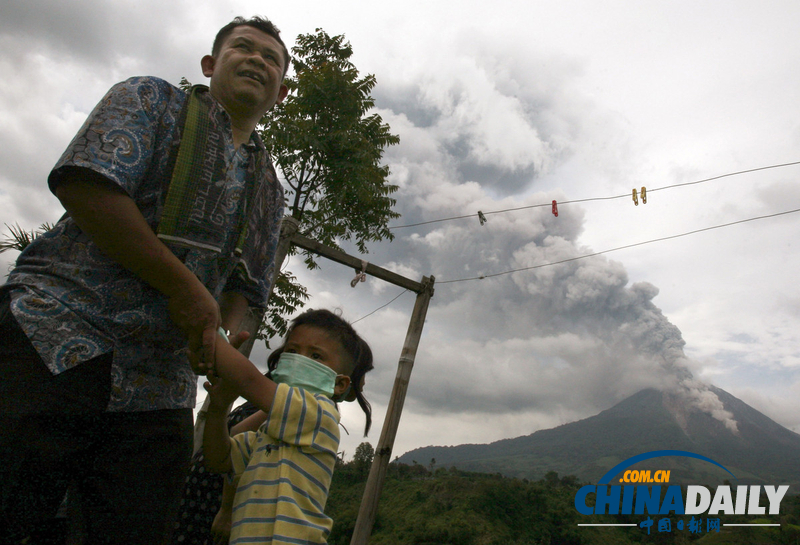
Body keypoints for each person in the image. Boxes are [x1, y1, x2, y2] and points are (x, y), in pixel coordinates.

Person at [0, 15, 290, 544]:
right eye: (242, 48)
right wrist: (184, 289)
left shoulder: (270, 187)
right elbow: (88, 186)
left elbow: (248, 288)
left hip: (160, 388)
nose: (257, 60)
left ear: (281, 91)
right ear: (209, 64)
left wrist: (222, 338)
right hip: (57, 334)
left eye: (271, 58)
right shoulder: (151, 99)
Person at [202, 309, 374, 545]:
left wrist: (206, 330)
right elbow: (218, 459)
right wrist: (218, 408)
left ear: (340, 384)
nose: (299, 360)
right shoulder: (268, 433)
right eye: (292, 351)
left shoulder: (319, 413)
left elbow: (249, 380)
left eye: (315, 356)